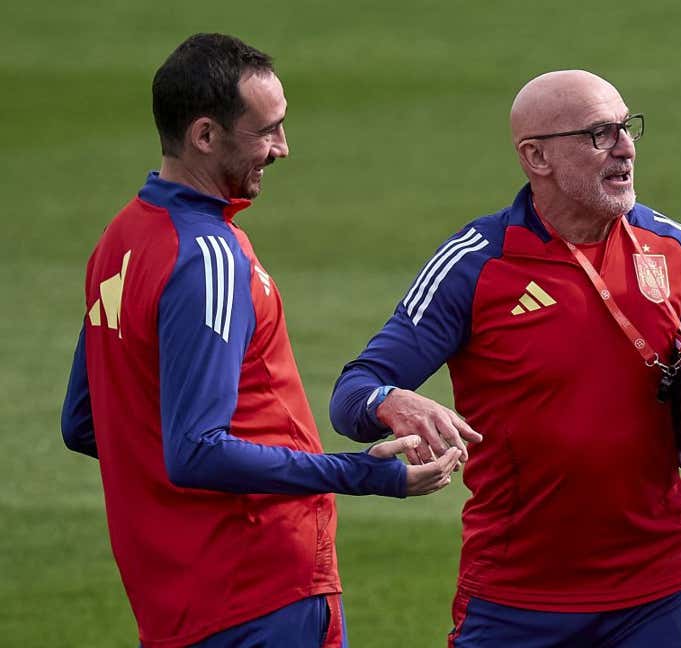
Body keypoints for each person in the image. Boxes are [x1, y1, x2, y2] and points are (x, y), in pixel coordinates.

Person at [328, 69, 681, 647]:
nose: (625, 146)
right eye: (599, 133)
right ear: (536, 157)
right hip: (516, 597)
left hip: (659, 589)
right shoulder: (475, 265)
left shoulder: (675, 249)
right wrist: (390, 400)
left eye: (627, 128)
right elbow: (354, 390)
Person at [60, 33, 466, 648]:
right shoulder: (208, 259)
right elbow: (196, 450)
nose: (282, 148)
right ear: (204, 135)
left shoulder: (119, 240)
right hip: (260, 591)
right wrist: (366, 474)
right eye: (266, 130)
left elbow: (84, 423)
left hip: (174, 605)